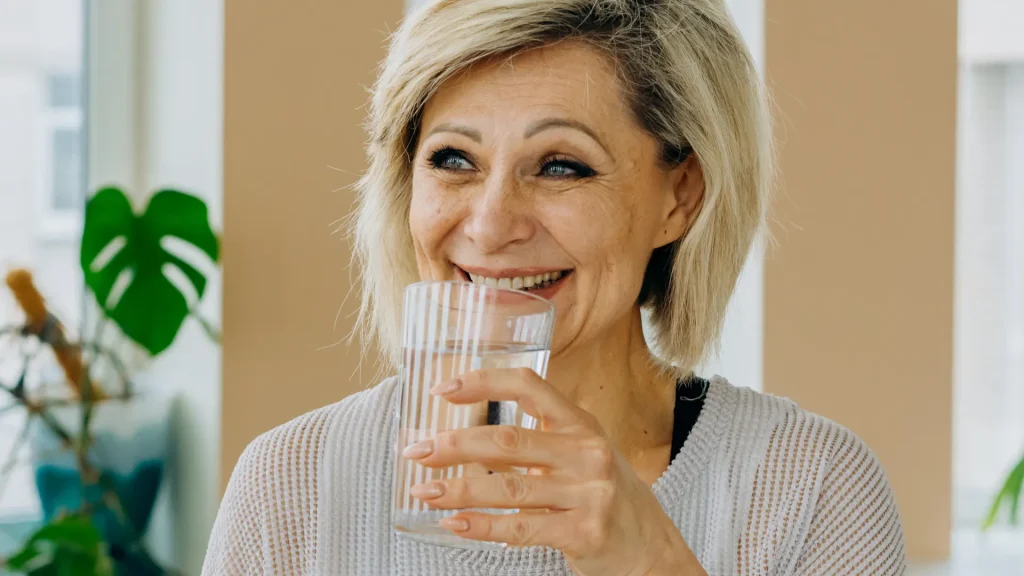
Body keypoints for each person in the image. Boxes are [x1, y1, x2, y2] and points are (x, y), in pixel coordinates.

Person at [203, 0, 907, 574]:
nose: (489, 224)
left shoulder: (812, 489)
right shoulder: (291, 484)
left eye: (561, 166)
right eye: (453, 159)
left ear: (680, 195)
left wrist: (655, 564)